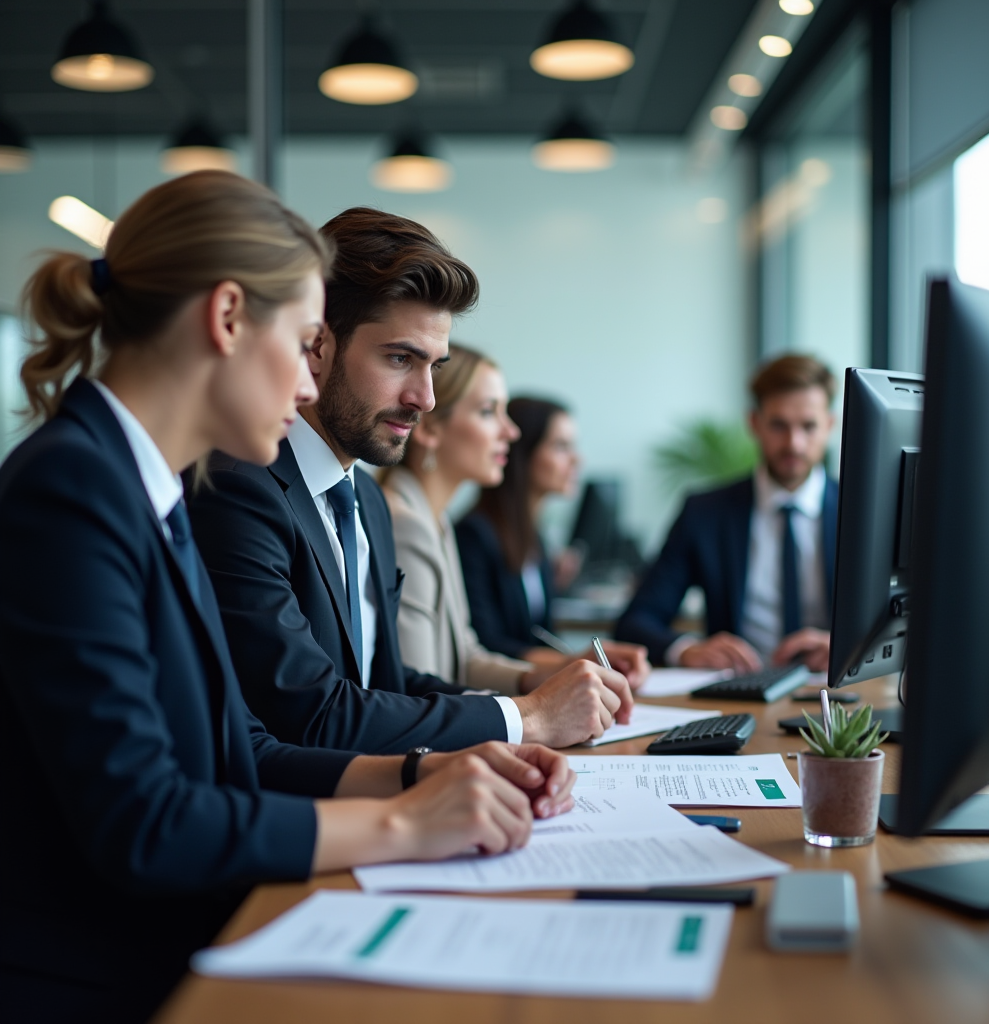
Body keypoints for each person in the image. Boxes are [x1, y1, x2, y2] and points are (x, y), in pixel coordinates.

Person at [0, 173, 575, 1024]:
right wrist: (407, 827)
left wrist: (430, 771)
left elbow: (250, 749)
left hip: (193, 934)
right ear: (228, 319)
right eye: (305, 341)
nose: (309, 387)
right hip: (114, 978)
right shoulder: (73, 490)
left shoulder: (141, 483)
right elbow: (145, 823)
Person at [188, 206, 634, 753]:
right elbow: (310, 716)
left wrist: (535, 702)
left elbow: (388, 684)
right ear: (318, 346)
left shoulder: (366, 501)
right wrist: (527, 719)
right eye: (400, 358)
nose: (424, 398)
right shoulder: (240, 489)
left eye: (434, 367)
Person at [381, 351, 649, 697]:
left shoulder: (436, 521)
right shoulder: (406, 525)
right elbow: (417, 690)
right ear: (429, 427)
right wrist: (536, 713)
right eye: (488, 411)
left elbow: (466, 658)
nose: (510, 431)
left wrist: (558, 673)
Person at [615, 354, 839, 673]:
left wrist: (849, 649)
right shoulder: (705, 512)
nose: (794, 443)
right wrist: (686, 650)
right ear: (754, 423)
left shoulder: (863, 515)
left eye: (809, 426)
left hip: (835, 690)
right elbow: (636, 621)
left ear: (830, 425)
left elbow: (905, 621)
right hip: (737, 693)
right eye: (779, 425)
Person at [457, 396, 591, 663]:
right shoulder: (474, 535)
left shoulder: (534, 537)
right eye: (561, 446)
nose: (577, 460)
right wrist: (573, 662)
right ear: (522, 453)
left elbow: (541, 633)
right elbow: (486, 644)